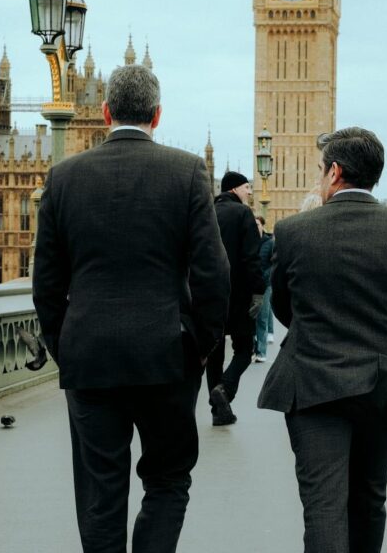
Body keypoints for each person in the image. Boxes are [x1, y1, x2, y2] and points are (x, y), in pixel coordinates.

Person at [32, 64, 230, 552]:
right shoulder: (186, 172)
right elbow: (214, 274)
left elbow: (46, 286)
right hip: (166, 357)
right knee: (167, 481)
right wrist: (199, 348)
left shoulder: (63, 177)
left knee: (101, 496)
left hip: (89, 359)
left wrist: (65, 343)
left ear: (104, 113)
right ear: (157, 116)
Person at [258, 127, 387, 553]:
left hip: (311, 386)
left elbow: (285, 307)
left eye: (322, 170)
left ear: (335, 172)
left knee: (322, 506)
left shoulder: (294, 232)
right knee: (369, 499)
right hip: (381, 386)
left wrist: (313, 336)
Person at [208, 171, 267, 425]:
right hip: (239, 294)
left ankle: (218, 412)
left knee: (214, 352)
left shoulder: (206, 211)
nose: (250, 192)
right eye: (246, 187)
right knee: (244, 349)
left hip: (209, 295)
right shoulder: (243, 214)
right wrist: (258, 291)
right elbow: (251, 258)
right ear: (234, 189)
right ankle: (225, 389)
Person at [254, 215, 274, 362]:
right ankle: (254, 349)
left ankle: (261, 352)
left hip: (265, 285)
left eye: (258, 225)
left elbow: (273, 264)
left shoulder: (269, 243)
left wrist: (264, 277)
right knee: (250, 318)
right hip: (250, 285)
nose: (255, 228)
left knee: (262, 318)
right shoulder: (247, 242)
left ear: (262, 226)